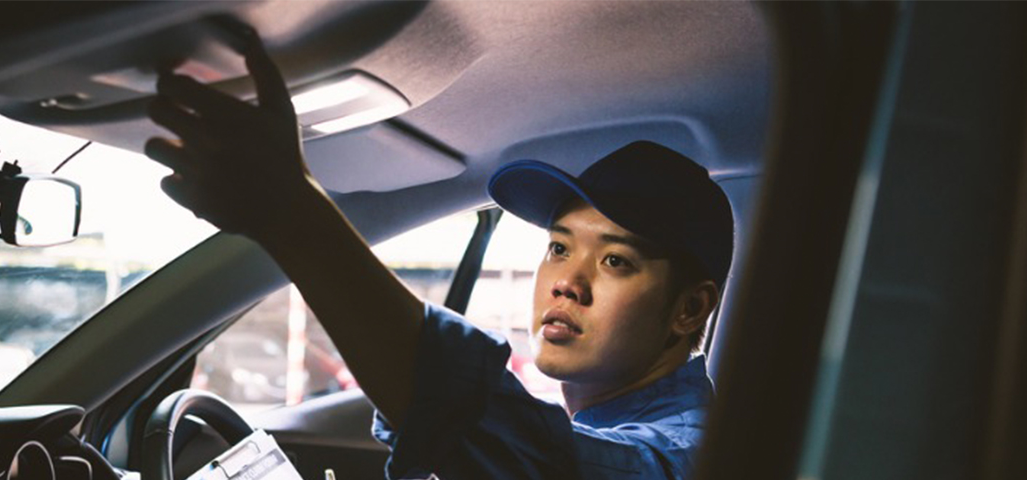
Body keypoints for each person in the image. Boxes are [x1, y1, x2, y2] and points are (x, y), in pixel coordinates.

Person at [143, 32, 732, 480]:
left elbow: (540, 458)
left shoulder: (690, 453)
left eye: (615, 261)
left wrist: (292, 214)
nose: (566, 283)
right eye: (558, 247)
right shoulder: (606, 421)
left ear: (688, 310)